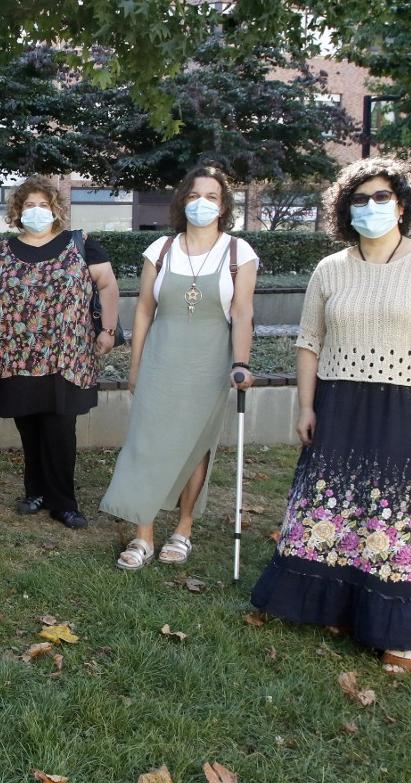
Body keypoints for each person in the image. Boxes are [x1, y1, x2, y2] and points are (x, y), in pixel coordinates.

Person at [251, 157, 411, 674]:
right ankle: (322, 604)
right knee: (325, 505)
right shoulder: (330, 269)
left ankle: (391, 629)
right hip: (338, 402)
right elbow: (310, 342)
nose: (371, 207)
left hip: (409, 406)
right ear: (345, 210)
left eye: (382, 197)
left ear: (401, 205)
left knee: (396, 514)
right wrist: (306, 405)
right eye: (359, 200)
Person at [100, 165, 259, 570]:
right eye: (193, 195)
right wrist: (135, 365)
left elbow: (242, 313)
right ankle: (143, 534)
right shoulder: (161, 249)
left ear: (223, 206)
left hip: (209, 364)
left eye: (211, 197)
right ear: (182, 201)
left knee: (196, 446)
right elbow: (144, 311)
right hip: (160, 360)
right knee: (147, 442)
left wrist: (241, 363)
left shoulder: (239, 253)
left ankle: (183, 529)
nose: (201, 203)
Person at [0, 175, 119, 529]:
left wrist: (109, 329)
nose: (36, 211)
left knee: (60, 429)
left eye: (43, 205)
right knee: (29, 426)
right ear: (17, 211)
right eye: (29, 205)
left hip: (66, 357)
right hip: (16, 356)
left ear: (55, 210)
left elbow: (108, 284)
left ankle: (63, 502)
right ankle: (34, 491)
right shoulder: (1, 252)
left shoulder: (80, 243)